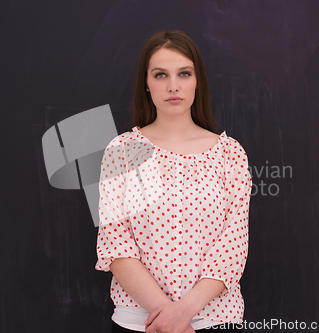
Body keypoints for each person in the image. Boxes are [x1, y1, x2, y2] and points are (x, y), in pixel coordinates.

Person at [95, 30, 252, 333]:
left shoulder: (230, 154)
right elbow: (116, 244)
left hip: (215, 320)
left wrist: (184, 314)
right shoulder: (122, 152)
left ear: (197, 80)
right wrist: (166, 317)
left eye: (183, 73)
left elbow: (233, 245)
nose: (173, 86)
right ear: (146, 83)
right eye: (160, 75)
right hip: (141, 323)